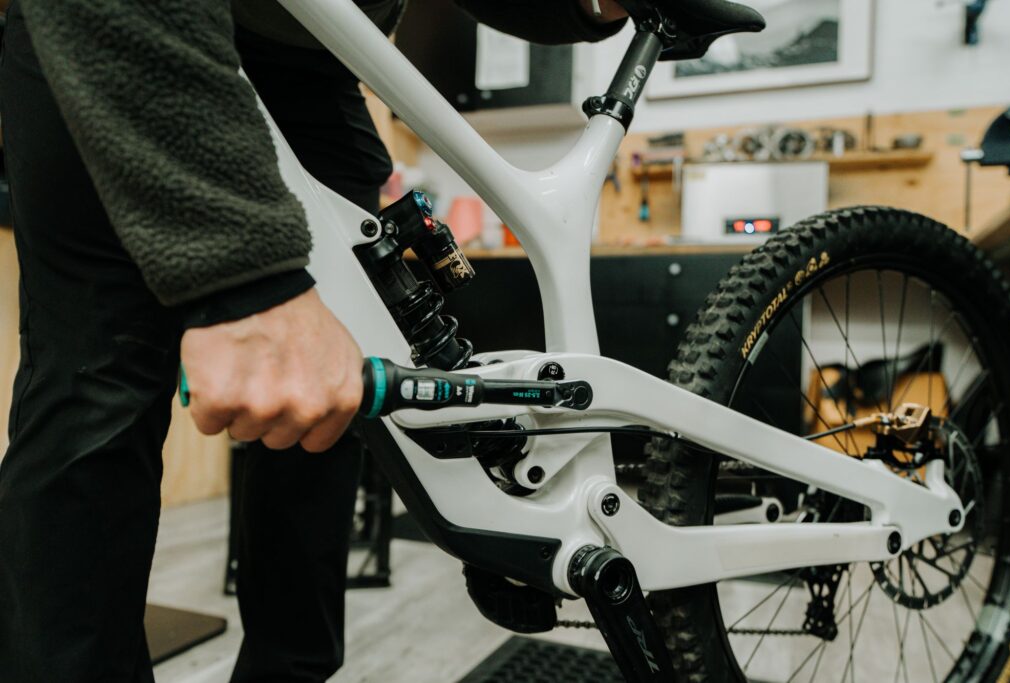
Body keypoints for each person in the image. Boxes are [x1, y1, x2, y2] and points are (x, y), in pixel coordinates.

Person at [0, 0, 627, 681]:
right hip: (133, 24)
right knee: (94, 382)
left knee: (332, 413)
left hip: (323, 56)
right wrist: (246, 279)